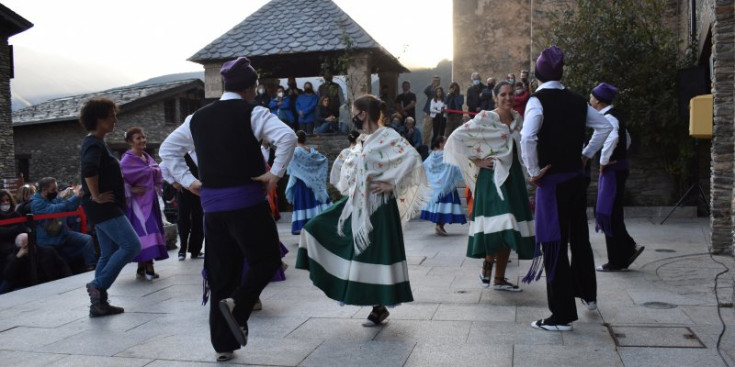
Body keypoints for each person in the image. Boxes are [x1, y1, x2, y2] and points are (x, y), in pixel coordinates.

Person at [159, 56, 297, 362]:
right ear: (251, 88)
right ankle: (241, 305)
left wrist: (188, 180)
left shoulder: (196, 118)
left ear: (225, 85)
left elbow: (167, 149)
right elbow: (287, 136)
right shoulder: (253, 112)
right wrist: (275, 174)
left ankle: (223, 344)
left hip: (213, 209)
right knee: (267, 258)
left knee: (223, 273)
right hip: (247, 203)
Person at [296, 94, 430, 326]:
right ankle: (353, 291)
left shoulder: (389, 135)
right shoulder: (363, 139)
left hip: (379, 205)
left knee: (375, 253)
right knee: (315, 227)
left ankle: (379, 307)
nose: (353, 118)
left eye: (355, 113)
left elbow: (413, 158)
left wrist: (393, 184)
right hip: (357, 202)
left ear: (363, 114)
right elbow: (353, 166)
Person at [519, 46, 613, 331]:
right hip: (575, 180)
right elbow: (605, 127)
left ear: (536, 75)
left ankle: (561, 316)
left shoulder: (537, 101)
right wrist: (585, 155)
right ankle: (589, 295)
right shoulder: (576, 100)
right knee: (579, 239)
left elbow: (527, 137)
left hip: (553, 184)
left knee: (554, 244)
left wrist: (533, 171)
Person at [444, 81, 535, 292]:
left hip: (513, 178)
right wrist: (476, 161)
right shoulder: (486, 118)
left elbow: (523, 146)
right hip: (492, 177)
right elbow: (457, 138)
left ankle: (499, 278)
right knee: (502, 222)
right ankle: (487, 263)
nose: (508, 98)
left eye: (511, 94)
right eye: (503, 94)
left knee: (510, 227)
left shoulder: (518, 119)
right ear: (495, 97)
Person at [80, 97, 142, 317]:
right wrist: (96, 195)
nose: (115, 119)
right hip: (104, 207)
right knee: (131, 245)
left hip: (102, 207)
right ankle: (98, 284)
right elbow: (89, 169)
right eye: (112, 115)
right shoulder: (94, 143)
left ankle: (99, 304)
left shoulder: (96, 142)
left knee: (108, 253)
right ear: (99, 118)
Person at [589, 82, 644, 272]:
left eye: (592, 96)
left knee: (607, 212)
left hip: (612, 170)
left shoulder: (609, 118)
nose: (590, 99)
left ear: (598, 100)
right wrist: (619, 155)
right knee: (611, 212)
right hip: (617, 168)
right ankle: (627, 248)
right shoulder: (615, 115)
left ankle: (617, 259)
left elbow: (614, 138)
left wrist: (604, 160)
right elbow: (626, 138)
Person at [120, 127, 168, 280]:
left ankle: (141, 267)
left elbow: (155, 171)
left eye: (143, 137)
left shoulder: (147, 157)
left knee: (147, 231)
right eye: (138, 138)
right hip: (137, 203)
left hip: (150, 199)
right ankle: (149, 267)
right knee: (146, 230)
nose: (142, 140)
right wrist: (132, 189)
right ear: (130, 142)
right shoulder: (126, 160)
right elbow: (120, 181)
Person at [0, 189, 71, 293]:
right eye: (2, 201)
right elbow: (9, 274)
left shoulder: (46, 251)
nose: (5, 203)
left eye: (7, 200)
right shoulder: (16, 256)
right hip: (8, 254)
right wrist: (18, 255)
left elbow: (63, 267)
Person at [32, 177, 97, 272]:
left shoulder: (54, 197)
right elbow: (56, 210)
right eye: (53, 189)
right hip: (48, 239)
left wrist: (79, 196)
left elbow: (68, 208)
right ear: (44, 190)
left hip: (62, 234)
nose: (56, 191)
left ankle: (90, 266)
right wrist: (75, 197)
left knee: (87, 239)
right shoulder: (36, 203)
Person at [286, 131, 331, 235]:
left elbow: (291, 168)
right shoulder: (312, 151)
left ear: (295, 139)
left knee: (304, 204)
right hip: (314, 184)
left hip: (301, 184)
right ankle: (317, 228)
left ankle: (304, 229)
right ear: (305, 139)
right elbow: (323, 160)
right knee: (313, 203)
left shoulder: (295, 152)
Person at [420, 136, 466, 235]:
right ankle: (439, 225)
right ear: (440, 143)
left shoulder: (432, 155)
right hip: (446, 185)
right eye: (446, 142)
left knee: (438, 207)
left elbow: (424, 166)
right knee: (446, 207)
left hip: (435, 186)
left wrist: (432, 178)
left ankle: (439, 225)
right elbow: (454, 166)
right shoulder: (447, 155)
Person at [421, 76, 441, 145]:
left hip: (437, 114)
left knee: (436, 132)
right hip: (429, 113)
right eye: (434, 81)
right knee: (426, 131)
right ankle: (425, 147)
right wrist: (431, 84)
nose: (436, 82)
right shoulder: (431, 91)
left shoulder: (441, 92)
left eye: (437, 81)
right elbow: (425, 91)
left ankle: (435, 146)